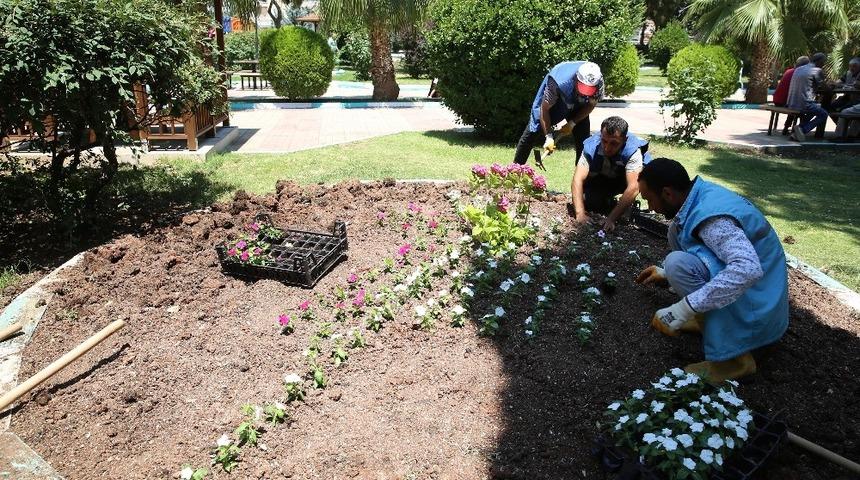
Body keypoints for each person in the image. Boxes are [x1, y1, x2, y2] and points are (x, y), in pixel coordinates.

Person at [634, 158, 789, 382]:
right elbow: (710, 250)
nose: (650, 207)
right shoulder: (698, 197)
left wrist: (682, 309)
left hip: (760, 307)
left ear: (667, 193)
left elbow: (747, 269)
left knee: (677, 263)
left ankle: (734, 358)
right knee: (675, 238)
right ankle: (707, 321)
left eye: (649, 199)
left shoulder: (713, 219)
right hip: (761, 293)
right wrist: (666, 273)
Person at [513, 61, 604, 166]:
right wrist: (548, 136)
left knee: (583, 141)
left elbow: (590, 105)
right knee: (532, 131)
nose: (585, 92)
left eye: (589, 90)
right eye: (583, 88)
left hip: (580, 104)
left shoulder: (598, 83)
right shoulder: (558, 82)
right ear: (576, 79)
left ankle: (582, 177)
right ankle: (516, 169)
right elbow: (545, 109)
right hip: (557, 99)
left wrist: (572, 123)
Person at [570, 116, 651, 232]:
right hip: (604, 178)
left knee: (637, 188)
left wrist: (611, 219)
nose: (607, 148)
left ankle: (626, 206)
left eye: (614, 143)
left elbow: (633, 187)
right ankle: (610, 202)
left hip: (625, 180)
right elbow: (577, 179)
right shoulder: (591, 145)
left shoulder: (632, 150)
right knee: (590, 201)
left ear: (624, 140)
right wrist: (580, 213)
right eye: (604, 141)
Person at [787, 52, 828, 141]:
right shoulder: (817, 70)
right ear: (820, 61)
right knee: (824, 114)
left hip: (791, 102)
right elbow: (825, 88)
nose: (824, 64)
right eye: (823, 62)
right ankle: (802, 129)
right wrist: (833, 85)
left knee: (815, 108)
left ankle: (796, 133)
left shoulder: (799, 68)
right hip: (805, 103)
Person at [772, 56, 809, 134]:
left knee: (794, 103)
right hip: (784, 100)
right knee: (800, 108)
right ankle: (800, 130)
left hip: (777, 99)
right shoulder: (798, 73)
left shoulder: (789, 71)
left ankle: (787, 128)